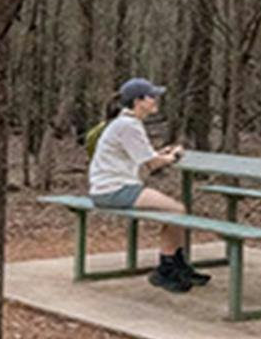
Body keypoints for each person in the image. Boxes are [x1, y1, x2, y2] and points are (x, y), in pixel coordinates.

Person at [87, 77, 209, 293]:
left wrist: (162, 154)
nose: (155, 101)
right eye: (151, 97)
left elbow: (143, 156)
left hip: (110, 187)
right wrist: (174, 156)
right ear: (138, 101)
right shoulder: (129, 125)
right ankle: (166, 269)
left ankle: (178, 265)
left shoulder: (125, 123)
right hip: (113, 190)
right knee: (177, 210)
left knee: (176, 210)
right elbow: (152, 165)